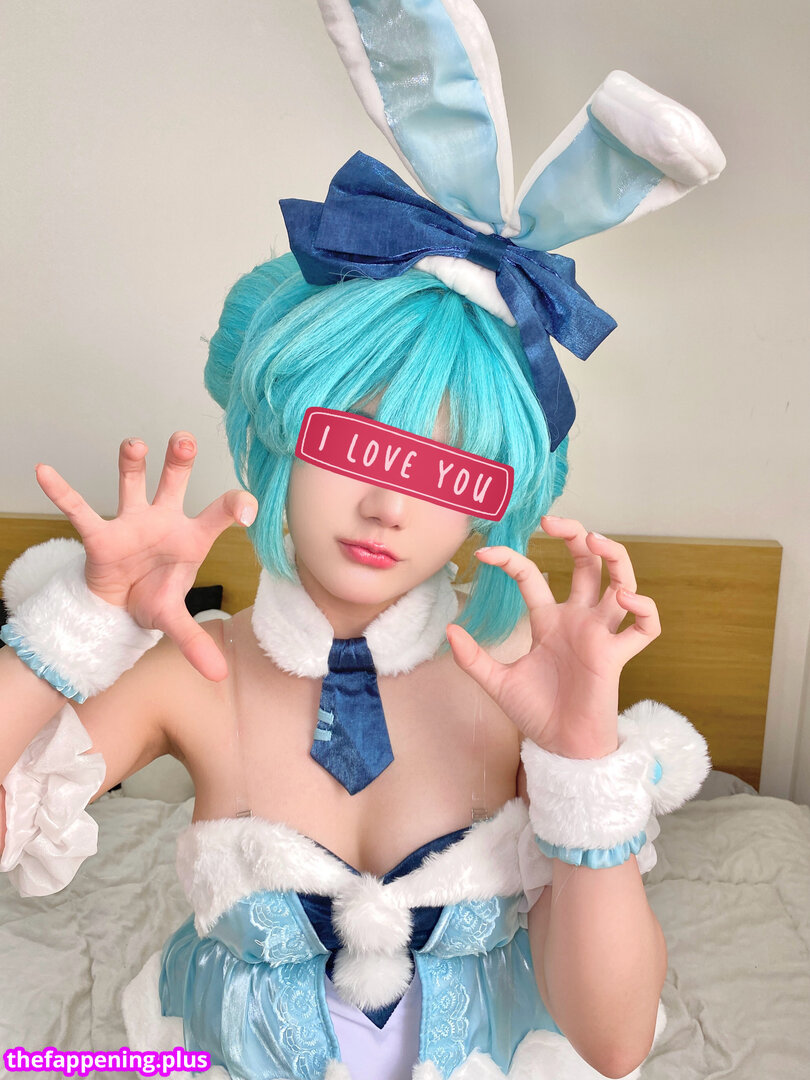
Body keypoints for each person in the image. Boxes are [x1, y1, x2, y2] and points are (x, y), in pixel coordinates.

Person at [0, 5, 722, 1076]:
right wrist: (76, 623)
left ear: (489, 506)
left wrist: (580, 757)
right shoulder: (195, 672)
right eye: (354, 445)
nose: (389, 505)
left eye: (447, 473)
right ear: (281, 435)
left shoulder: (519, 687)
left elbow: (613, 1045)